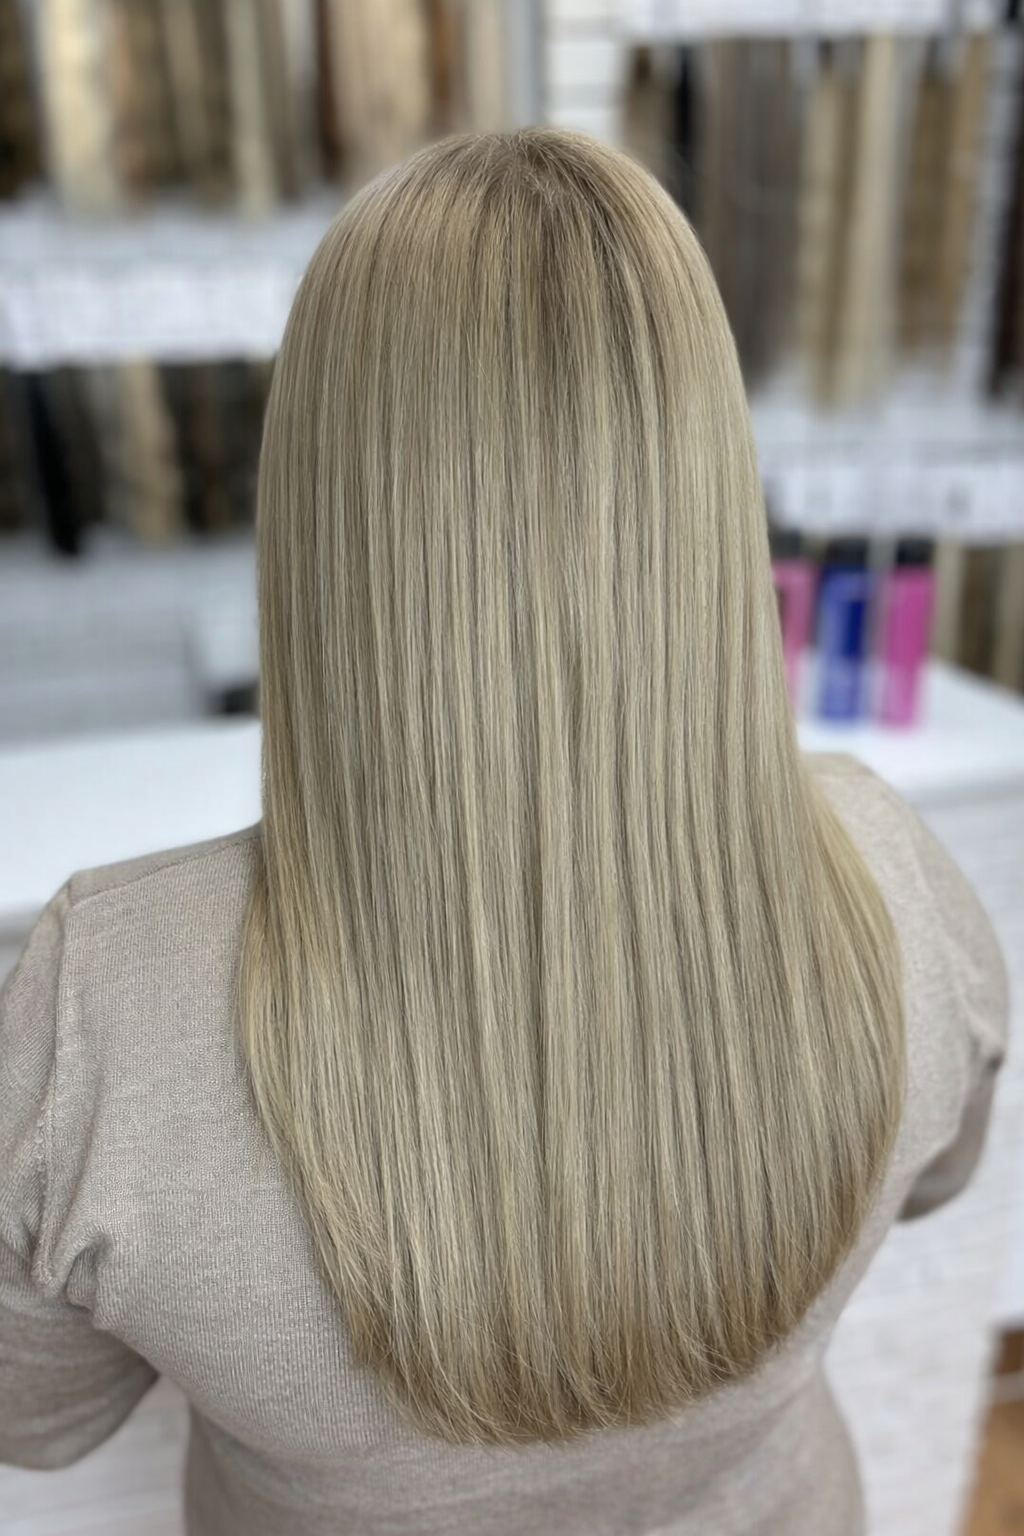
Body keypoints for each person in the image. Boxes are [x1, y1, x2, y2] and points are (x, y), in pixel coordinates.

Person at [0, 129, 1007, 1536]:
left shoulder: (105, 1007)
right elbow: (936, 1177)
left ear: (324, 501)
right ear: (703, 482)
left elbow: (38, 1420)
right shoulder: (889, 873)